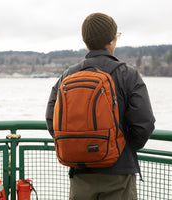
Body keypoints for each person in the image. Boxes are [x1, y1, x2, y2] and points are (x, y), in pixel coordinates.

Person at [45, 12, 155, 200]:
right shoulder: (128, 75)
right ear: (112, 40)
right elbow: (144, 124)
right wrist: (122, 147)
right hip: (119, 174)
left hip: (80, 174)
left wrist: (79, 145)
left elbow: (51, 120)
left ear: (86, 41)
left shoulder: (67, 76)